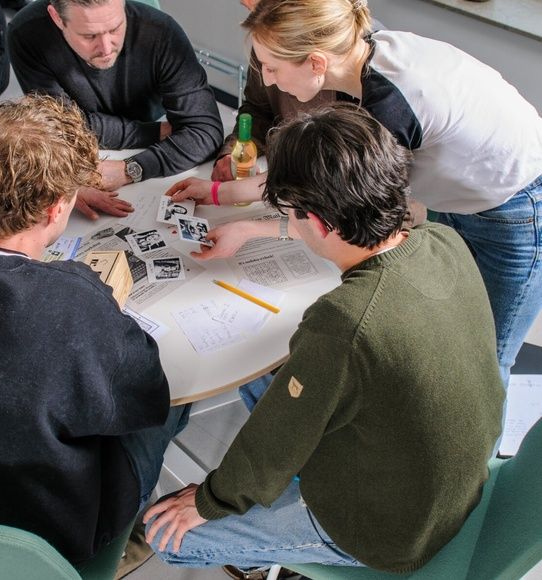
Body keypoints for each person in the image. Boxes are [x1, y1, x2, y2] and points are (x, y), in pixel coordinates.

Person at [143, 104, 505, 575]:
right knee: (269, 379)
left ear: (315, 222)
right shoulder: (443, 241)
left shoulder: (345, 321)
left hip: (392, 529)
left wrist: (210, 500)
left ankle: (297, 550)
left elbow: (275, 441)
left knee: (168, 537)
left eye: (289, 215)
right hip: (452, 479)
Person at [169, 0, 542, 387]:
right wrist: (217, 192)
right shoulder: (355, 65)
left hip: (517, 206)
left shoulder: (390, 106)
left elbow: (339, 213)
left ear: (316, 63)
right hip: (462, 192)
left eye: (272, 67)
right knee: (449, 327)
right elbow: (312, 175)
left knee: (488, 354)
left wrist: (248, 229)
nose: (266, 79)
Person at [0, 95, 190, 565]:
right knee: (177, 402)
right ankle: (130, 539)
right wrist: (100, 308)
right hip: (53, 532)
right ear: (56, 209)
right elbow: (145, 398)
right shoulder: (71, 301)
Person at [7, 0, 224, 219]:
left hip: (140, 147)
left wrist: (128, 170)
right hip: (85, 156)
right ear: (57, 18)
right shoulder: (26, 33)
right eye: (89, 36)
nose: (106, 49)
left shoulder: (160, 31)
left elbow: (206, 132)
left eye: (115, 29)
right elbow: (59, 127)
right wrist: (153, 132)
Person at [212, 0, 336, 182]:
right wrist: (235, 152)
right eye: (249, 9)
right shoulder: (265, 38)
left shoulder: (367, 86)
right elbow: (258, 109)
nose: (267, 80)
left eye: (271, 69)